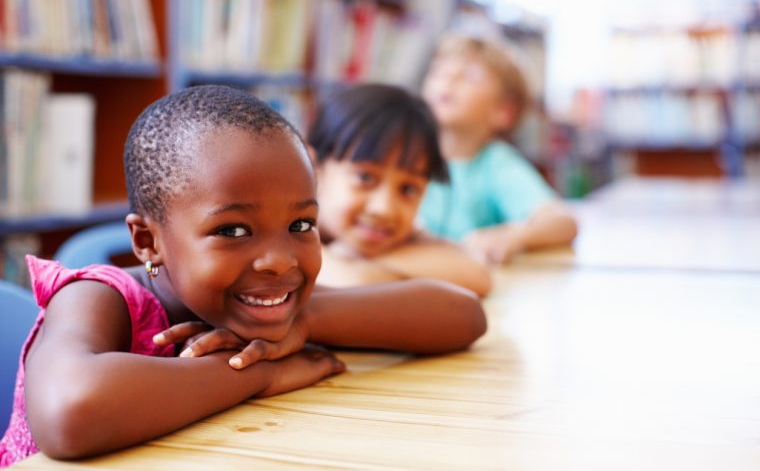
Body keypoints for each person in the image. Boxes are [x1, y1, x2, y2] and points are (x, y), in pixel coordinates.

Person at [0, 85, 487, 466]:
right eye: (232, 230)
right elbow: (70, 413)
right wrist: (257, 374)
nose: (279, 260)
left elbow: (463, 316)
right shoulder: (99, 297)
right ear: (148, 242)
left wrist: (307, 324)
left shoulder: (265, 300)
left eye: (301, 224)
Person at [308, 83, 491, 296]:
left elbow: (477, 272)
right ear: (312, 168)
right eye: (365, 177)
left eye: (408, 189)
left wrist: (361, 261)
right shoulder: (285, 233)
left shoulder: (402, 236)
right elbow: (349, 283)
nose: (383, 209)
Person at [418, 33, 578, 264]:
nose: (448, 80)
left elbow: (563, 222)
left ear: (504, 111)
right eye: (439, 71)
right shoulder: (401, 156)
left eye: (469, 77)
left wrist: (513, 235)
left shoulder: (496, 163)